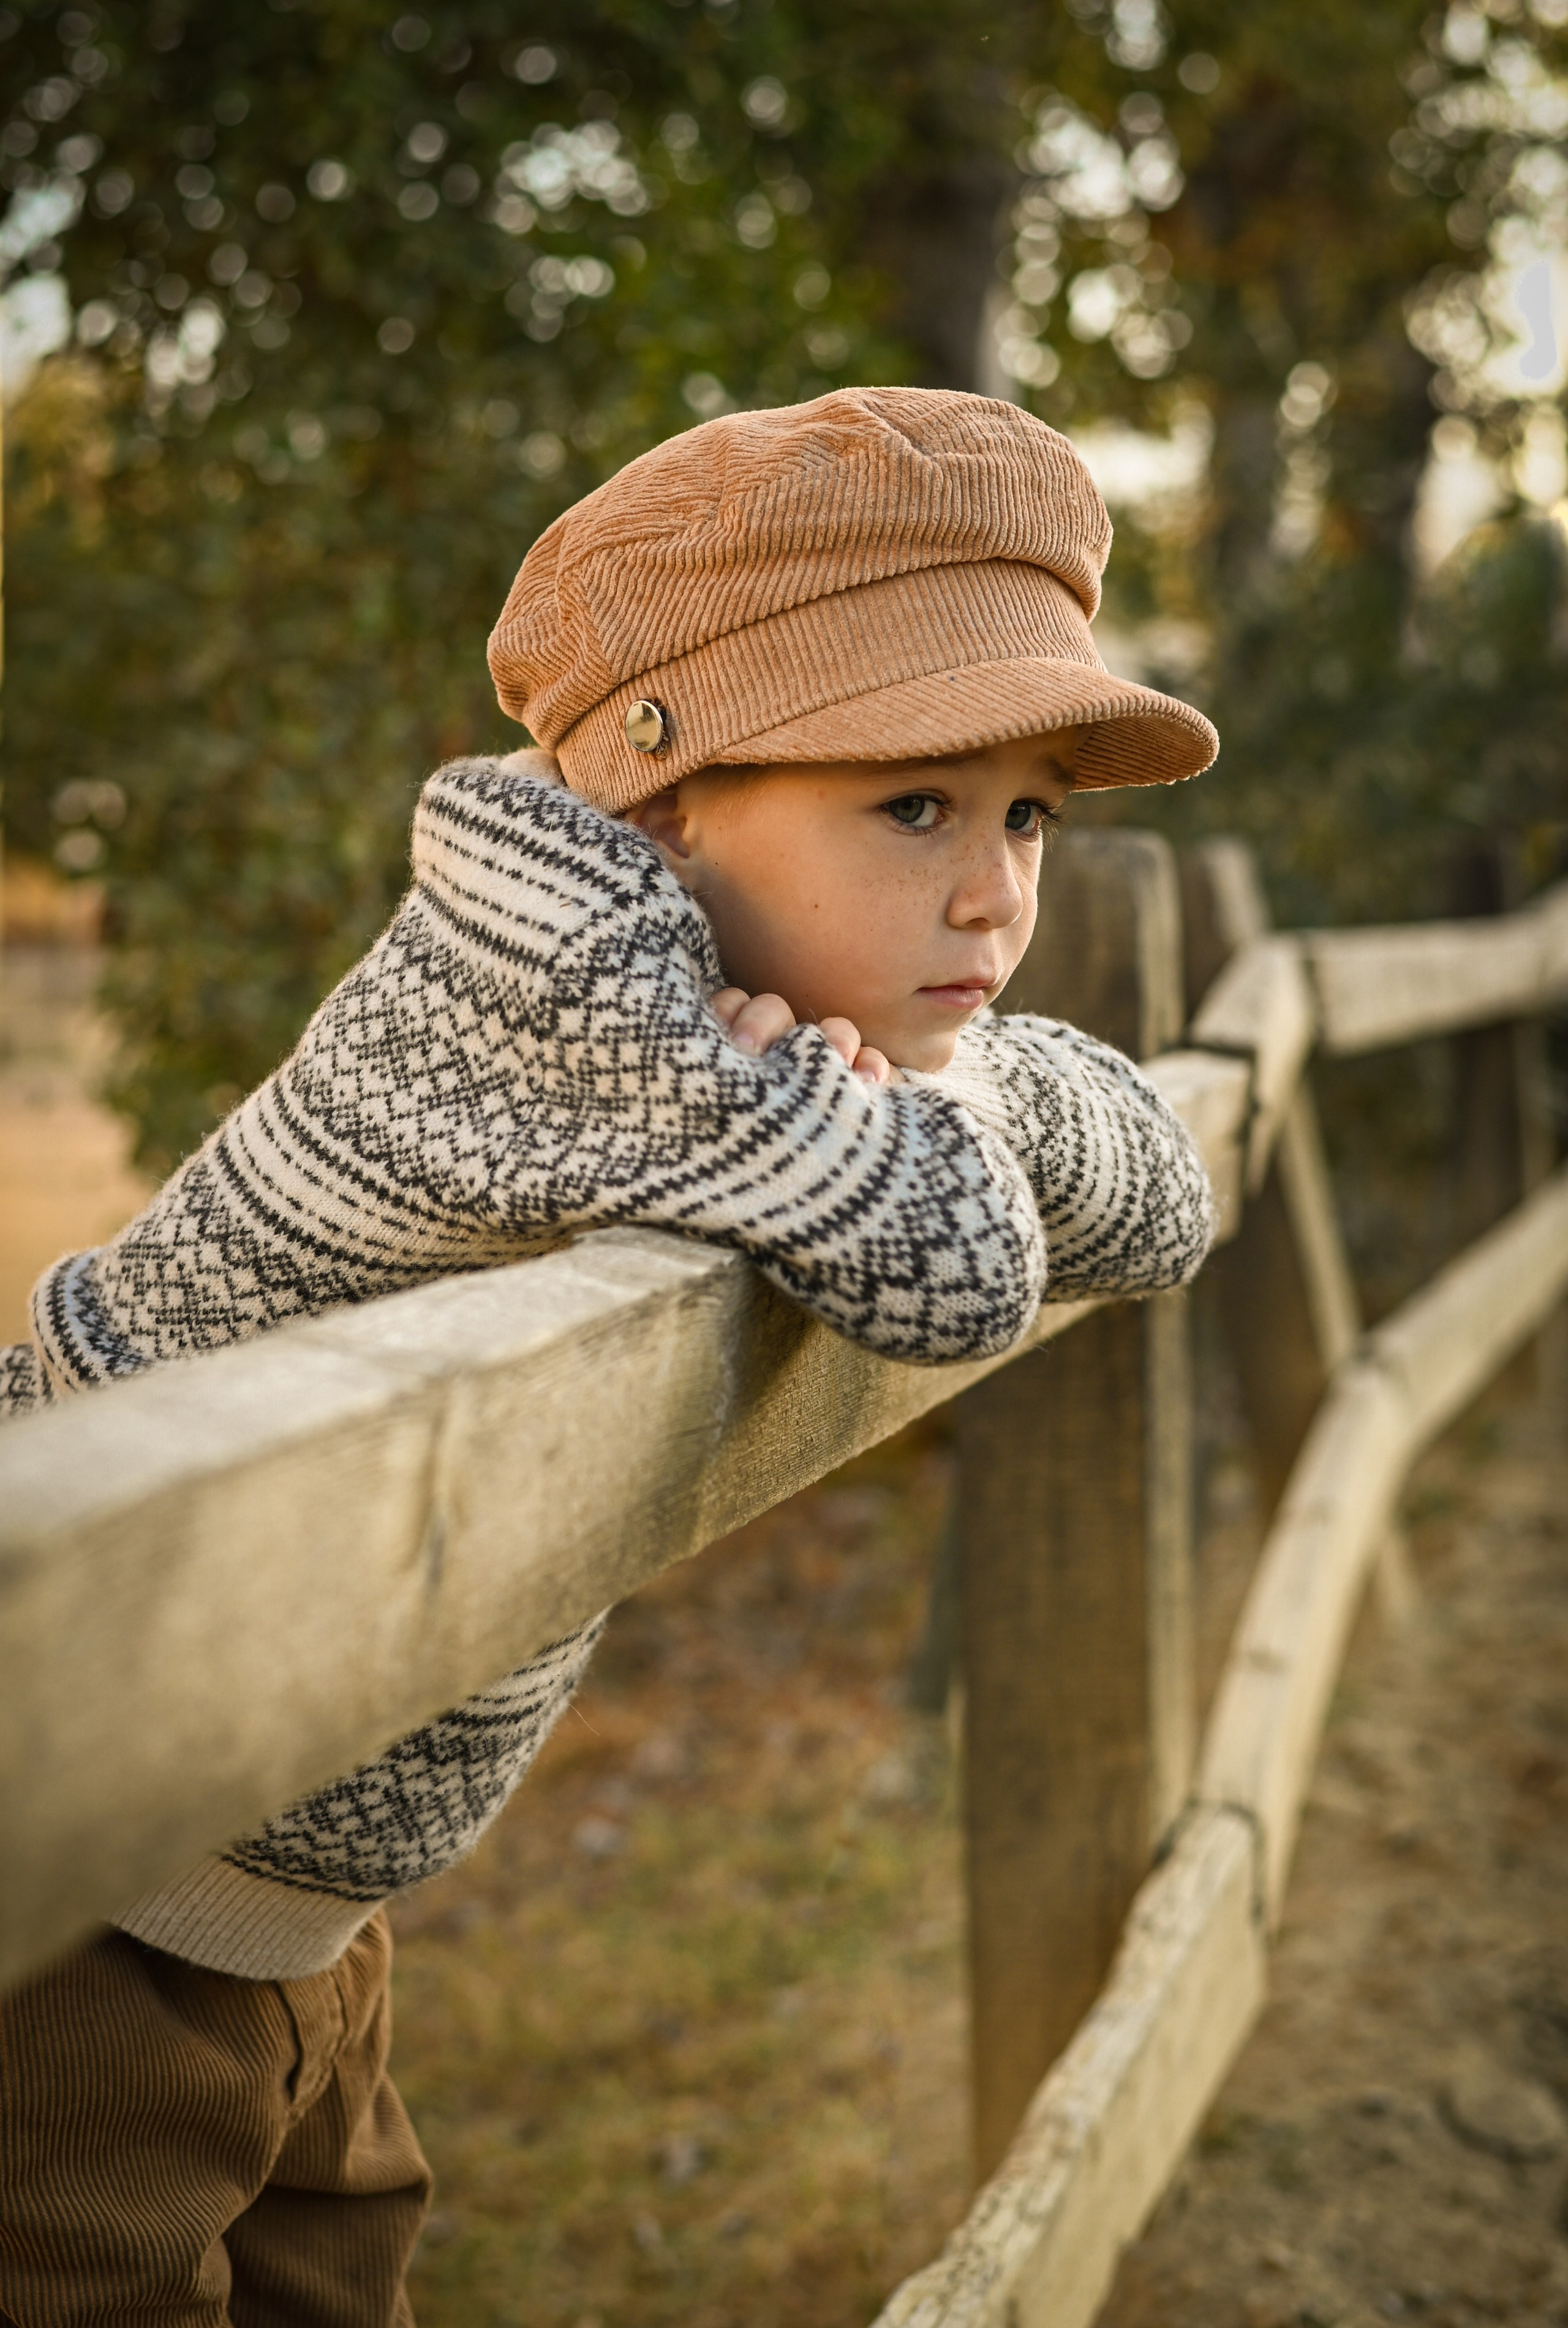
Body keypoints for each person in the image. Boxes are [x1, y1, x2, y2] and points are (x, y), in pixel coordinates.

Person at [0, 386, 1218, 2326]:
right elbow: (964, 1269)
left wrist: (930, 1085)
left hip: (295, 1876)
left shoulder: (749, 1003)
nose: (993, 891)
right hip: (84, 1866)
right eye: (912, 805)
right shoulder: (555, 974)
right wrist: (919, 1123)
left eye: (1027, 815)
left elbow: (1158, 1189)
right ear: (659, 802)